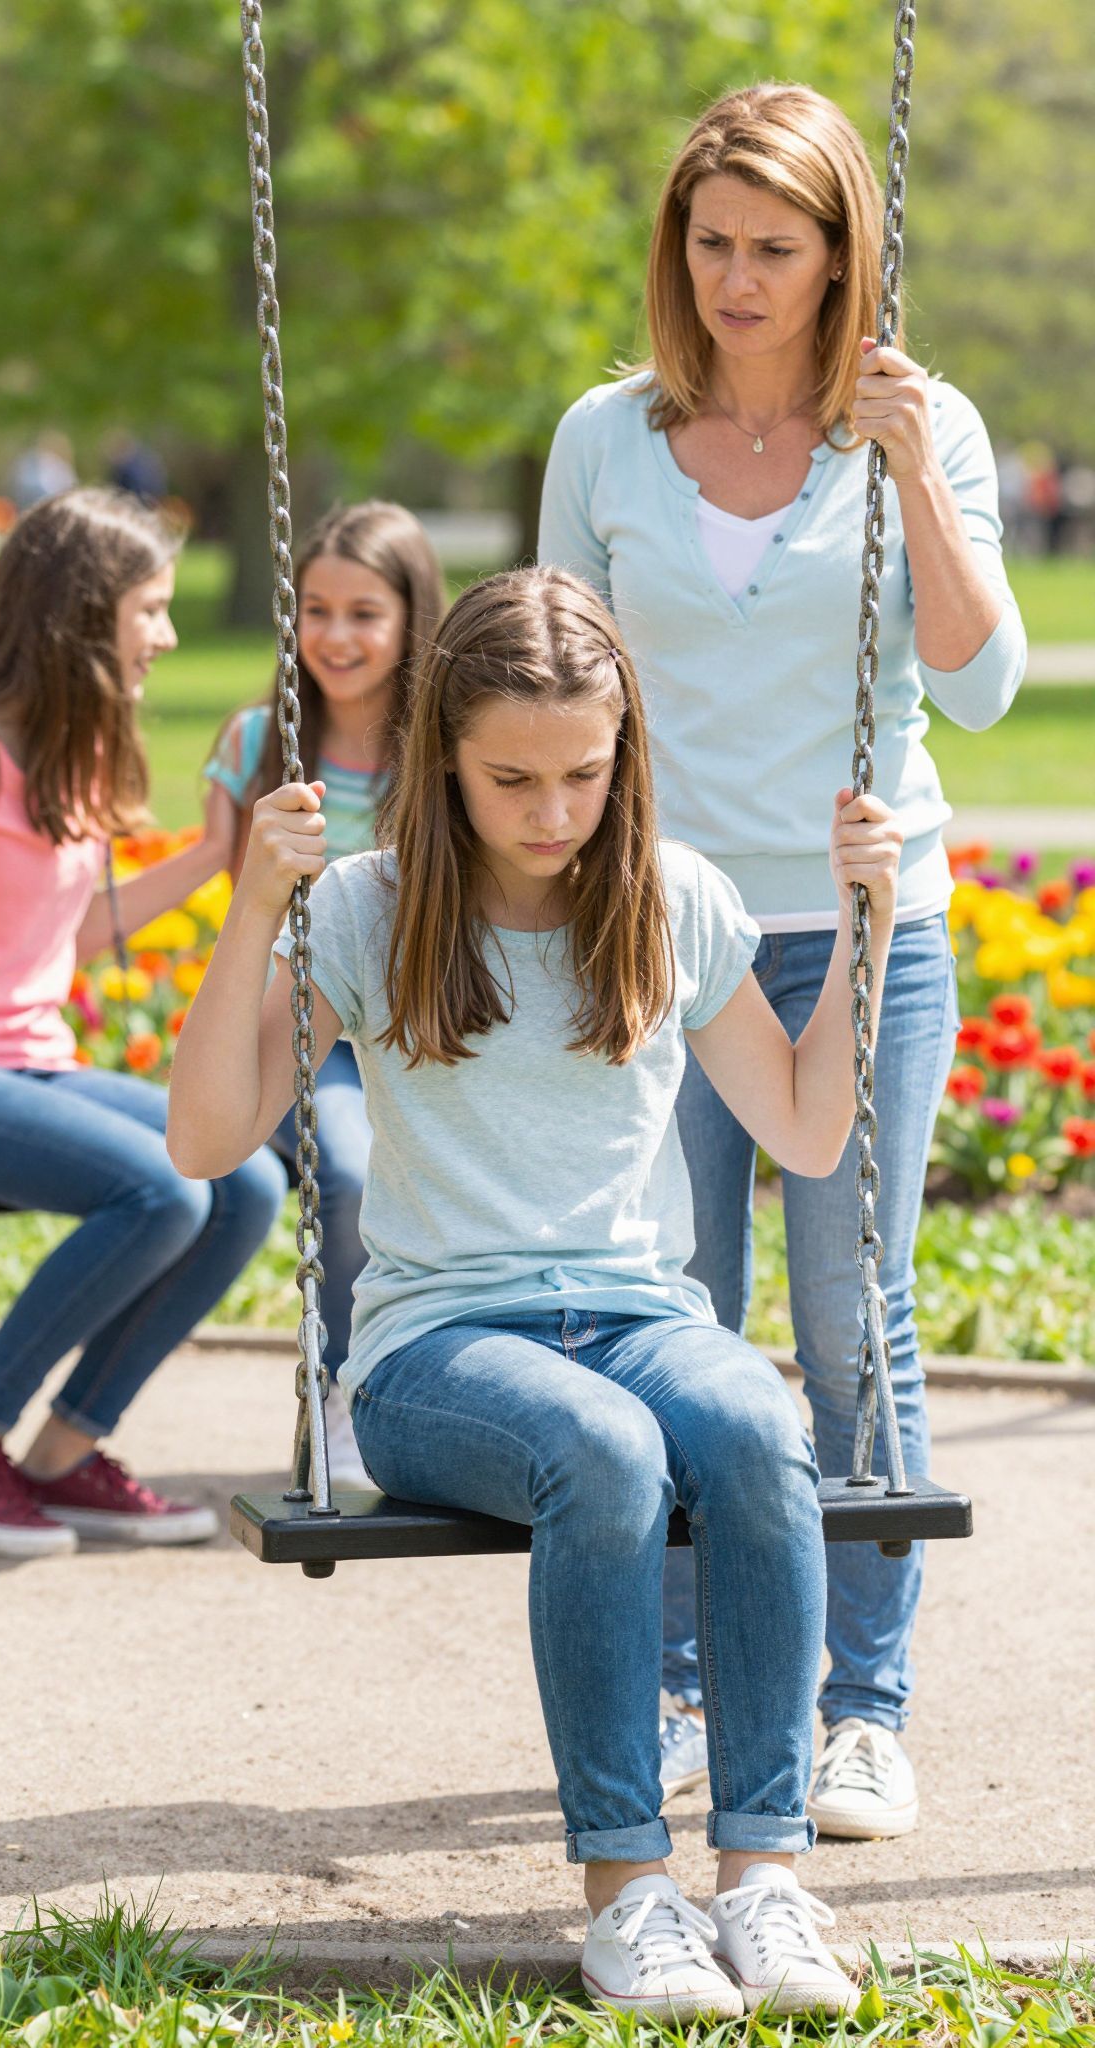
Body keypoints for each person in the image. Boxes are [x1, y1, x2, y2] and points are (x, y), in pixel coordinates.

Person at [168, 565, 902, 2018]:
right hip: (442, 1350)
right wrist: (257, 904)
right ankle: (628, 1895)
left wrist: (863, 926)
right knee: (604, 1452)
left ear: (624, 755)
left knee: (758, 1429)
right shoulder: (373, 912)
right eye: (512, 778)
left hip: (640, 1319)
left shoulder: (669, 900)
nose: (553, 811)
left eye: (583, 774)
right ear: (446, 752)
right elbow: (204, 1137)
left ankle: (761, 1877)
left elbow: (811, 1132)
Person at [538, 82, 1027, 1837]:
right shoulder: (605, 436)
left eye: (776, 249)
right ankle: (679, 1688)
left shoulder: (919, 425)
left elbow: (976, 683)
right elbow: (549, 682)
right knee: (670, 1310)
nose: (736, 278)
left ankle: (860, 1706)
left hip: (861, 932)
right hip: (659, 932)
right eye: (711, 243)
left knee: (849, 1324)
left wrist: (905, 464)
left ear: (842, 260)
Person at [0, 489, 288, 1560]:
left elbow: (64, 937)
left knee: (244, 1178)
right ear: (83, 614)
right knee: (157, 1186)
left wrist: (213, 859)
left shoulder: (68, 756)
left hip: (25, 1064)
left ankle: (62, 1448)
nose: (169, 636)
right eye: (153, 608)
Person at [202, 502, 444, 1475]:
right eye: (316, 610)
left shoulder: (441, 747)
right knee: (346, 1169)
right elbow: (240, 916)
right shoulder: (261, 741)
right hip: (303, 1032)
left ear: (410, 618)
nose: (335, 636)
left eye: (364, 613)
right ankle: (344, 1392)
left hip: (416, 1025)